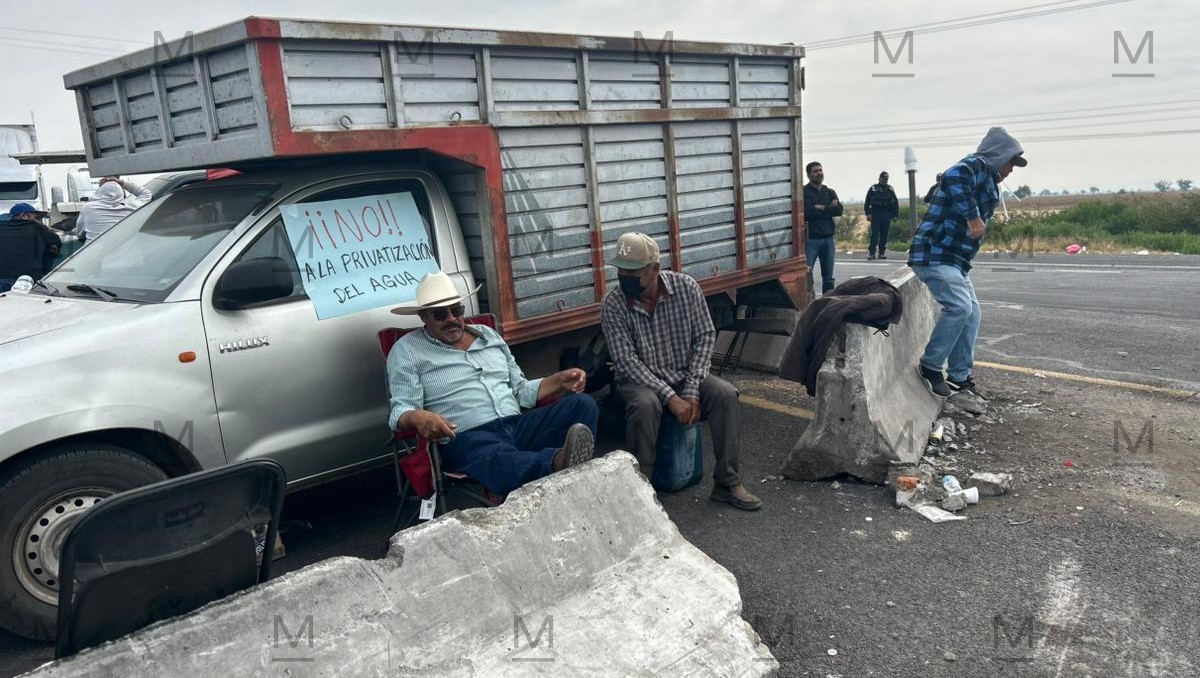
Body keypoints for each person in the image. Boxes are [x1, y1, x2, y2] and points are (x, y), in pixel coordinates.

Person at [387, 271, 598, 497]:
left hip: (517, 425)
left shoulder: (489, 335)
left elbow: (520, 392)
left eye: (457, 310)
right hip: (469, 437)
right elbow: (399, 410)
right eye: (440, 314)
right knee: (496, 457)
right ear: (423, 317)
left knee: (582, 404)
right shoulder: (407, 350)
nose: (451, 319)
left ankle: (561, 465)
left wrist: (557, 381)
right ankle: (559, 464)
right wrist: (419, 417)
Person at [600, 232, 763, 511]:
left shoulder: (686, 288)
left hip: (683, 375)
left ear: (654, 269)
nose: (625, 277)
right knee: (645, 405)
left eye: (633, 272)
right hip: (639, 382)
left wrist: (690, 391)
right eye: (621, 271)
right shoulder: (613, 304)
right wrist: (671, 398)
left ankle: (727, 482)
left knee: (726, 395)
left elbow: (704, 336)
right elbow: (626, 362)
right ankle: (641, 493)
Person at [909, 127, 1027, 397]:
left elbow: (948, 186)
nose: (1011, 169)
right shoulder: (977, 164)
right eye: (1010, 161)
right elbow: (953, 176)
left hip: (955, 260)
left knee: (972, 314)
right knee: (959, 307)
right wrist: (973, 217)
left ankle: (960, 378)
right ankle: (931, 366)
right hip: (933, 253)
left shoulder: (988, 181)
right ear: (999, 155)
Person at [0, 203, 60, 292]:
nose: (39, 221)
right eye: (36, 218)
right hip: (28, 282)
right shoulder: (37, 228)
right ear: (24, 216)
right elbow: (54, 248)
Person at [803, 161, 842, 295]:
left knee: (828, 278)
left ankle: (827, 305)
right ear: (808, 175)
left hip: (828, 240)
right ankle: (809, 305)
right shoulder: (804, 192)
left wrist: (822, 208)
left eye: (820, 170)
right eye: (815, 171)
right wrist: (828, 208)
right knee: (806, 275)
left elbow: (839, 210)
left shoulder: (829, 192)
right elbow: (807, 212)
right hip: (811, 241)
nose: (819, 173)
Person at [75, 176, 152, 242]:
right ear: (121, 193)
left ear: (99, 192)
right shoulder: (132, 207)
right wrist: (121, 182)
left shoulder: (89, 208)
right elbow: (146, 193)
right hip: (121, 254)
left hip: (93, 255)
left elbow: (79, 234)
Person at [864, 171, 900, 260]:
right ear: (879, 178)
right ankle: (872, 253)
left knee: (884, 234)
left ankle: (881, 253)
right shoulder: (873, 188)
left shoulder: (890, 189)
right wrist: (868, 214)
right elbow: (867, 202)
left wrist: (895, 215)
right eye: (883, 179)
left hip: (886, 214)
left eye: (886, 179)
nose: (885, 181)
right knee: (875, 234)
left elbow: (895, 203)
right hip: (875, 213)